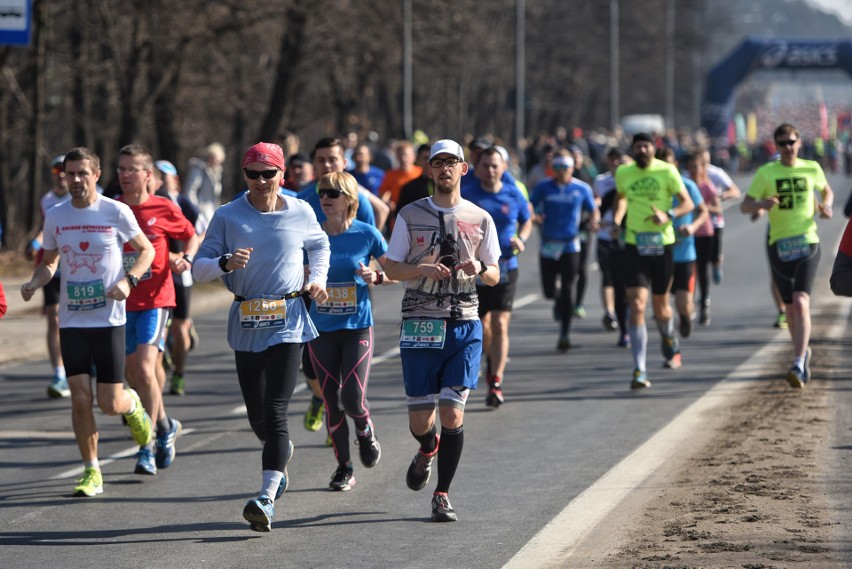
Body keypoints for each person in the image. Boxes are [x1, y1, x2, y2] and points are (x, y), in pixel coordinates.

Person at [192, 142, 330, 532]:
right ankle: (279, 460)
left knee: (276, 409)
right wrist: (224, 262)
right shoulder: (227, 216)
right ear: (244, 176)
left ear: (281, 175)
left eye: (269, 173)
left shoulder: (301, 211)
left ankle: (266, 497)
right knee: (258, 419)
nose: (261, 181)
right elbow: (198, 270)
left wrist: (316, 279)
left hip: (288, 318)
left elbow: (320, 246)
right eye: (253, 173)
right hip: (246, 317)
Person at [20, 147, 156, 497]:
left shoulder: (116, 211)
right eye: (70, 174)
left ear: (96, 175)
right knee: (79, 398)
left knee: (109, 403)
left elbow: (147, 251)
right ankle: (91, 470)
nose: (76, 180)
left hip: (109, 320)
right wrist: (36, 281)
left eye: (83, 173)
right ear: (63, 177)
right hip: (72, 321)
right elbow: (50, 261)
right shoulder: (56, 215)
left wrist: (129, 281)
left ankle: (133, 405)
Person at [384, 139, 501, 522]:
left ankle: (442, 494)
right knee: (422, 422)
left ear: (463, 169)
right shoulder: (409, 215)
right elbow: (391, 268)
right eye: (438, 163)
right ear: (428, 170)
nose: (445, 169)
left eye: (452, 163)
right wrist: (421, 269)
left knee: (452, 414)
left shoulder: (481, 217)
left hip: (465, 325)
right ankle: (427, 448)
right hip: (420, 323)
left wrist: (478, 270)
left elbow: (496, 274)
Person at [117, 145, 199, 475]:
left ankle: (146, 447)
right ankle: (166, 425)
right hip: (120, 303)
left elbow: (191, 235)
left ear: (147, 175)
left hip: (156, 300)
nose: (124, 175)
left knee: (146, 367)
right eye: (120, 169)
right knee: (132, 373)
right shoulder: (111, 209)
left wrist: (186, 258)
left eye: (131, 169)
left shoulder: (162, 207)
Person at [306, 172, 389, 491]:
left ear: (350, 200)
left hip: (356, 328)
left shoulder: (366, 234)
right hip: (322, 329)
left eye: (333, 193)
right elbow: (296, 274)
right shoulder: (312, 236)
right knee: (331, 400)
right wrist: (306, 278)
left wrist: (376, 276)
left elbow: (394, 270)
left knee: (352, 397)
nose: (325, 197)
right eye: (322, 192)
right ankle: (344, 467)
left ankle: (365, 429)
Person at [297, 137, 383, 434]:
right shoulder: (304, 198)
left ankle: (348, 412)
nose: (326, 165)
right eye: (320, 160)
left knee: (349, 380)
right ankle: (321, 400)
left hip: (352, 290)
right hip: (314, 291)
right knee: (313, 366)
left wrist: (369, 268)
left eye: (332, 159)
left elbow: (371, 237)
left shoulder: (354, 193)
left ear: (343, 162)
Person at [741, 123, 833, 388]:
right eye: (782, 143)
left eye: (791, 142)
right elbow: (746, 205)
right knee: (790, 310)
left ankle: (798, 360)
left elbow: (826, 190)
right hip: (778, 244)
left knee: (801, 301)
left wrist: (825, 205)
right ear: (776, 146)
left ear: (799, 142)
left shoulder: (811, 168)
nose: (788, 147)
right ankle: (802, 352)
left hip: (807, 241)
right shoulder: (767, 173)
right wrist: (761, 204)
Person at [613, 133, 693, 389]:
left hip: (662, 244)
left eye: (646, 146)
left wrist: (668, 214)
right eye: (638, 147)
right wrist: (616, 220)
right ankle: (639, 369)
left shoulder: (667, 171)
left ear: (653, 149)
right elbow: (621, 197)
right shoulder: (624, 173)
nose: (642, 150)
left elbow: (687, 203)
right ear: (634, 150)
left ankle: (668, 335)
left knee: (661, 306)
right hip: (635, 244)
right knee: (636, 304)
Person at [461, 147, 532, 406]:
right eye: (486, 165)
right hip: (473, 272)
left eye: (495, 165)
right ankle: (488, 364)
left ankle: (496, 381)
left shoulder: (513, 193)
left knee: (500, 324)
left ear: (504, 167)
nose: (490, 170)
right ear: (477, 168)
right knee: (481, 326)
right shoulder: (467, 196)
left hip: (505, 268)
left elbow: (527, 219)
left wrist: (521, 239)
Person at [530, 150, 599, 352]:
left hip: (571, 244)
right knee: (550, 291)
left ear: (572, 168)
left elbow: (593, 208)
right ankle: (558, 301)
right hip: (548, 244)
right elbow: (529, 206)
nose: (561, 172)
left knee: (569, 286)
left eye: (565, 168)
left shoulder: (581, 188)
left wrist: (594, 220)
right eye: (557, 167)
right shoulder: (544, 186)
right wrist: (533, 217)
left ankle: (565, 333)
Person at [153, 160, 202, 396]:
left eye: (165, 175)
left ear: (175, 179)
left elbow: (199, 234)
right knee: (159, 328)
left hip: (180, 275)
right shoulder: (145, 204)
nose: (160, 180)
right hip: (156, 276)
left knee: (179, 328)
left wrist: (185, 257)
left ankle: (179, 374)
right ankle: (157, 368)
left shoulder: (184, 203)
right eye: (156, 174)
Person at [31, 154, 72, 398]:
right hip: (52, 269)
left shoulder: (86, 196)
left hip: (79, 270)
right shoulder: (46, 200)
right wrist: (35, 243)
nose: (61, 178)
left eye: (64, 172)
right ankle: (58, 373)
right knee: (53, 318)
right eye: (56, 173)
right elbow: (45, 231)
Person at [659, 148, 709, 338]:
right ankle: (670, 341)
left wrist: (693, 227)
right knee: (662, 305)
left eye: (669, 164)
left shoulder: (687, 186)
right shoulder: (653, 189)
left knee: (683, 303)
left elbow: (703, 211)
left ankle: (686, 316)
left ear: (675, 165)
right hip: (660, 252)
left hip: (684, 254)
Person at [593, 148, 631, 345]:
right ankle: (623, 328)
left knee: (631, 287)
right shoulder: (610, 193)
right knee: (615, 282)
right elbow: (597, 212)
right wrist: (598, 223)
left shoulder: (637, 192)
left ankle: (630, 318)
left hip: (635, 244)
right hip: (611, 242)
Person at [685, 152, 722, 326]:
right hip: (685, 232)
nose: (693, 170)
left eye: (696, 167)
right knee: (687, 270)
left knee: (701, 270)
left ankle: (704, 304)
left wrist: (702, 207)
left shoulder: (707, 187)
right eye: (690, 167)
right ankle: (688, 304)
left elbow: (717, 208)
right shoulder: (682, 186)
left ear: (702, 168)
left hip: (704, 232)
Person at [378, 140, 423, 225]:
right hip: (398, 218)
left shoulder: (420, 173)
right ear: (396, 157)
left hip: (419, 216)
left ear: (413, 156)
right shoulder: (390, 174)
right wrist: (387, 203)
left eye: (406, 155)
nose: (403, 158)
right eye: (400, 155)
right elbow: (382, 196)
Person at [185, 142, 226, 225]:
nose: (215, 162)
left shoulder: (217, 172)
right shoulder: (198, 168)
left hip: (212, 212)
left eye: (218, 160)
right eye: (213, 158)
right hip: (200, 212)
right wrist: (195, 210)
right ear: (209, 156)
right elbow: (190, 190)